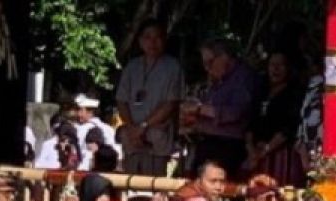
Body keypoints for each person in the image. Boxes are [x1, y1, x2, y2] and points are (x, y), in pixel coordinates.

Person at [116, 19, 185, 176]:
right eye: (148, 37)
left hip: (157, 137)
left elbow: (171, 104)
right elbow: (121, 100)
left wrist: (144, 126)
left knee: (155, 188)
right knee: (131, 185)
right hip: (133, 138)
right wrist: (132, 127)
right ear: (140, 41)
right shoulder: (132, 67)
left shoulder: (173, 67)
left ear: (164, 40)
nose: (152, 42)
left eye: (157, 37)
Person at [186, 38, 257, 176]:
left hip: (228, 146)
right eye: (204, 64)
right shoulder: (218, 78)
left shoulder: (243, 77)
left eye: (210, 62)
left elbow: (236, 112)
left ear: (224, 57)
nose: (207, 68)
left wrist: (200, 109)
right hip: (208, 142)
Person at [245, 52, 304, 186]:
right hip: (256, 154)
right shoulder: (261, 91)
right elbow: (250, 121)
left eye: (281, 65)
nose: (275, 68)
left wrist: (266, 150)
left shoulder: (294, 93)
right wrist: (251, 149)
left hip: (281, 154)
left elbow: (289, 127)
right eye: (272, 64)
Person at [73, 94, 118, 171]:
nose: (78, 114)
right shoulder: (109, 129)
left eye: (81, 110)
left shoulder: (81, 129)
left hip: (85, 170)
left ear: (90, 112)